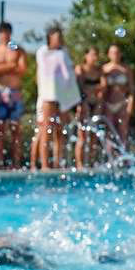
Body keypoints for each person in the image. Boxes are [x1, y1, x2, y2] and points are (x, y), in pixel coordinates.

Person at [33, 25, 77, 172]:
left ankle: (58, 163)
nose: (58, 40)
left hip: (62, 96)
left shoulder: (63, 53)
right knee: (46, 130)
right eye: (56, 37)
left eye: (60, 37)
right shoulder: (43, 52)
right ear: (49, 38)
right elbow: (47, 71)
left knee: (59, 130)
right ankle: (44, 165)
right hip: (48, 96)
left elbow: (68, 73)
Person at [0, 22, 27, 169]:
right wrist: (11, 66)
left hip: (15, 92)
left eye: (7, 33)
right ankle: (0, 163)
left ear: (10, 33)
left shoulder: (18, 50)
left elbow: (22, 69)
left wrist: (2, 68)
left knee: (16, 129)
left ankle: (16, 163)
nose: (5, 36)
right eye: (2, 33)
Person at [97, 44, 135, 151]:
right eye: (113, 52)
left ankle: (124, 157)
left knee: (123, 131)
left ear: (121, 54)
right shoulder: (104, 69)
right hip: (108, 103)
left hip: (122, 103)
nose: (115, 55)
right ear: (109, 54)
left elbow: (132, 89)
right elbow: (101, 88)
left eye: (117, 52)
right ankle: (110, 158)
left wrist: (130, 104)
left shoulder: (126, 69)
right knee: (109, 132)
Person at [75, 47, 106, 168]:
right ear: (85, 56)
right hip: (83, 104)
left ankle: (91, 163)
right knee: (82, 135)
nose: (95, 57)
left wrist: (92, 89)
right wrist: (84, 102)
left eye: (96, 55)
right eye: (92, 55)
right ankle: (79, 164)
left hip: (96, 104)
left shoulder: (99, 70)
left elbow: (104, 86)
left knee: (94, 136)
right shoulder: (80, 69)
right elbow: (80, 88)